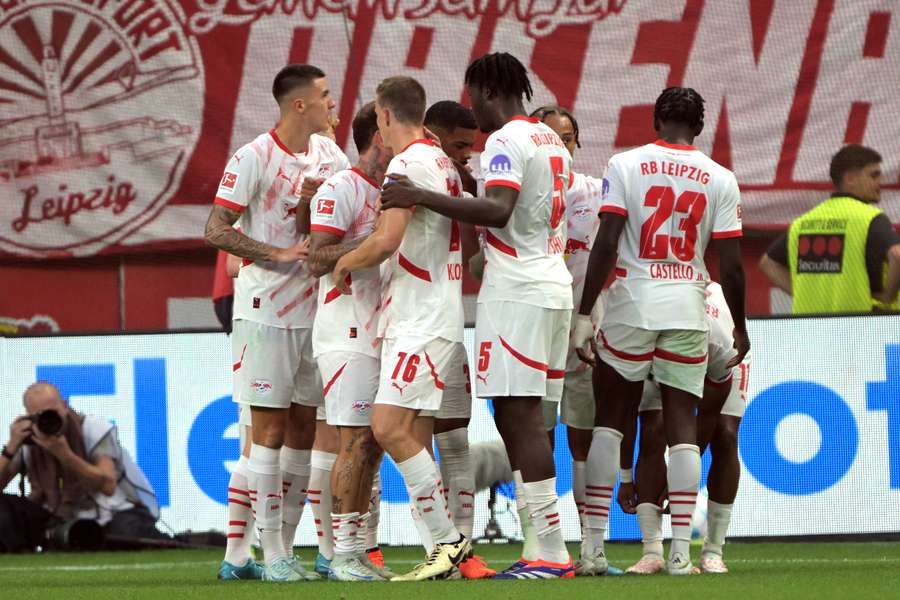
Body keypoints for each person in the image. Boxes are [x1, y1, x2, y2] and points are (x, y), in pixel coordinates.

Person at [380, 53, 575, 580]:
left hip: (517, 292)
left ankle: (551, 551)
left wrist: (421, 195)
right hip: (553, 282)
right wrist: (466, 189)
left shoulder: (508, 140)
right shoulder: (550, 138)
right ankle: (546, 545)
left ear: (489, 90)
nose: (471, 109)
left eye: (472, 97)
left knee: (519, 419)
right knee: (532, 419)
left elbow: (500, 211)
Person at [572, 86, 749, 575]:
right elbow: (731, 267)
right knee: (682, 429)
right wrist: (742, 327)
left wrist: (586, 312)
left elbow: (606, 241)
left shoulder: (625, 164)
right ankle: (679, 555)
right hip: (688, 306)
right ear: (699, 126)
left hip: (632, 302)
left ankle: (592, 550)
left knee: (611, 421)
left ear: (656, 121)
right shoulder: (721, 177)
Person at [204, 63, 349, 582]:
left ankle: (282, 551)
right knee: (264, 433)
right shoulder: (252, 157)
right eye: (326, 96)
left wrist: (312, 212)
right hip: (265, 312)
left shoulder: (332, 155)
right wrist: (276, 251)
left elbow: (334, 225)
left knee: (304, 431)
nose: (335, 104)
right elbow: (216, 229)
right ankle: (267, 554)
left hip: (319, 311)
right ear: (299, 104)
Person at [332, 76, 470, 581]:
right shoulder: (442, 162)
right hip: (435, 310)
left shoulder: (408, 164)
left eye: (378, 119)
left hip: (420, 318)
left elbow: (387, 240)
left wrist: (344, 262)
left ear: (386, 116)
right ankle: (442, 550)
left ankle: (449, 540)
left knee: (387, 426)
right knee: (412, 431)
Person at [306, 102, 393, 581]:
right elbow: (316, 258)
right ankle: (340, 554)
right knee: (354, 443)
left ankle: (356, 551)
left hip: (378, 329)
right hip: (345, 332)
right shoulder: (342, 187)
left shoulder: (389, 191)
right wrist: (372, 243)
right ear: (379, 136)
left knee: (371, 446)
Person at [618, 281, 750, 575]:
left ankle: (713, 549)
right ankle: (651, 551)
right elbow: (626, 417)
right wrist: (625, 477)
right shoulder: (634, 337)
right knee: (652, 430)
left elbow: (705, 419)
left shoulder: (717, 341)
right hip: (662, 349)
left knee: (726, 436)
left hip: (726, 354)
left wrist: (678, 482)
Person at [530, 105, 607, 575]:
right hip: (534, 328)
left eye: (569, 138)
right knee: (536, 434)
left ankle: (591, 549)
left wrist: (591, 317)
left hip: (583, 326)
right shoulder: (518, 192)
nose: (562, 145)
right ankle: (540, 543)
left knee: (583, 437)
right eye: (552, 137)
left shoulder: (597, 191)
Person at [0, 383, 163, 552]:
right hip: (53, 517)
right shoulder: (27, 439)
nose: (48, 420)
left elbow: (108, 486)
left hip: (108, 513)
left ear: (65, 406)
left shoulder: (92, 428)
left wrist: (65, 455)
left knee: (127, 533)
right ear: (29, 417)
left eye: (52, 413)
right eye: (40, 416)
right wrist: (11, 448)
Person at [760, 144, 900, 313]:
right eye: (874, 175)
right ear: (850, 179)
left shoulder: (803, 222)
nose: (880, 182)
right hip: (860, 329)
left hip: (810, 329)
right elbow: (897, 254)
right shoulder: (870, 218)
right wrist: (888, 296)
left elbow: (768, 264)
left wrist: (805, 295)